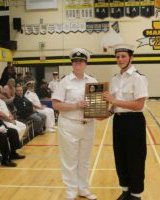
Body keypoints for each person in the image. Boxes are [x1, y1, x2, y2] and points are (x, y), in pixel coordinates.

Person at [103, 44, 148, 200]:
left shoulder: (138, 78)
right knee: (120, 157)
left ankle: (136, 194)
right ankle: (125, 190)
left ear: (131, 57)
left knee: (135, 158)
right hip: (119, 121)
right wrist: (106, 113)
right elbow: (114, 104)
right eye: (117, 57)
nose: (120, 59)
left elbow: (139, 105)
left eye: (123, 56)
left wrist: (114, 100)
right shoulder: (115, 79)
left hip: (134, 122)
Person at [52, 48, 98, 200]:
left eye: (80, 62)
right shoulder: (65, 81)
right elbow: (56, 105)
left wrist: (101, 108)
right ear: (72, 64)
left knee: (84, 160)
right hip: (69, 125)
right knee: (70, 160)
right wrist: (76, 105)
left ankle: (83, 189)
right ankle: (71, 191)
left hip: (88, 125)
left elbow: (97, 105)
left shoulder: (93, 81)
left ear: (86, 63)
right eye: (75, 62)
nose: (77, 64)